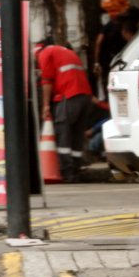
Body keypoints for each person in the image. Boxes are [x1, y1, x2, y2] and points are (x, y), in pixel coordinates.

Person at [35, 37, 97, 182]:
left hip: (70, 96)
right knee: (77, 135)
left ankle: (67, 172)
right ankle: (76, 169)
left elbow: (47, 81)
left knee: (63, 132)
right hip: (85, 97)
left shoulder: (45, 53)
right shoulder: (67, 52)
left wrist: (45, 106)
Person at [94, 0, 139, 95]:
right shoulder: (131, 25)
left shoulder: (111, 26)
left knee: (111, 87)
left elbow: (99, 42)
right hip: (125, 61)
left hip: (111, 61)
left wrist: (97, 62)